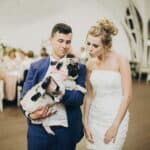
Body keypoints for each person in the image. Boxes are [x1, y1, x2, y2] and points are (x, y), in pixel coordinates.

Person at [20, 23, 86, 150]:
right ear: (51, 40)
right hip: (38, 130)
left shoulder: (78, 68)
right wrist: (30, 115)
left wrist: (57, 92)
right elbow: (24, 97)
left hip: (66, 131)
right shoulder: (35, 66)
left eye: (68, 42)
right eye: (60, 41)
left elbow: (79, 98)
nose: (64, 46)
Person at [83, 19, 132, 149]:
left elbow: (127, 96)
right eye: (88, 43)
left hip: (115, 116)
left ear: (106, 46)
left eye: (95, 45)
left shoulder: (121, 60)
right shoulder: (89, 64)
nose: (90, 49)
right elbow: (89, 95)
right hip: (95, 117)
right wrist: (86, 122)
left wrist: (115, 125)